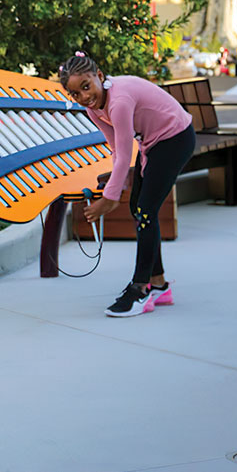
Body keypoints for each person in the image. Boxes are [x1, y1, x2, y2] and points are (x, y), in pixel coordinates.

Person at [59, 51, 195, 318]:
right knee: (139, 208)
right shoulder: (93, 109)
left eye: (86, 87)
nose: (84, 97)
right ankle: (158, 284)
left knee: (145, 211)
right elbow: (118, 151)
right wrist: (115, 185)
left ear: (99, 77)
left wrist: (109, 198)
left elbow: (125, 153)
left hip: (175, 138)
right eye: (75, 94)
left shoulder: (119, 101)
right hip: (153, 143)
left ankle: (140, 289)